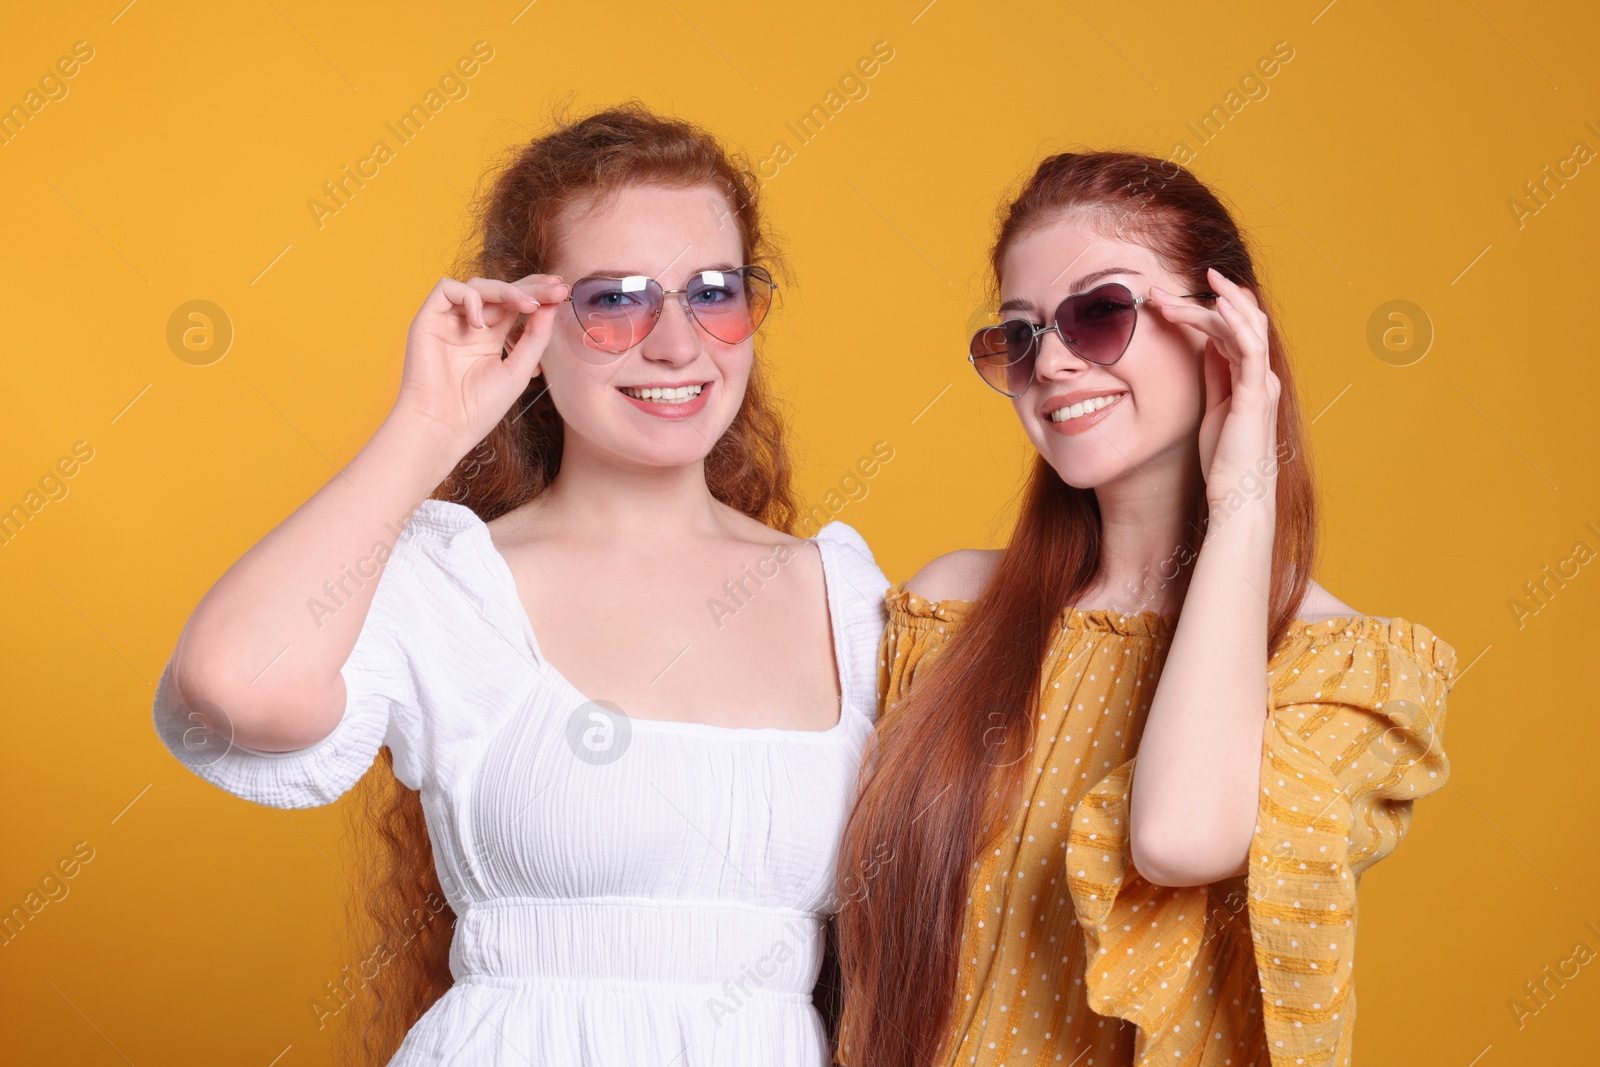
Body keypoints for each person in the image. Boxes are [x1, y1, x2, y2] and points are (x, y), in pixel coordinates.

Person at [151, 102, 889, 1066]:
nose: (676, 344)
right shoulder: (455, 583)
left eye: (713, 291)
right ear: (530, 323)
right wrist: (431, 418)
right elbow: (231, 685)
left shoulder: (844, 592)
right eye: (615, 300)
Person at [834, 151, 1456, 1067]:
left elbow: (1175, 838)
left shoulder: (1342, 670)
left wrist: (1246, 491)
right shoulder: (949, 610)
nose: (1049, 361)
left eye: (1099, 313)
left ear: (1227, 327)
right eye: (1018, 333)